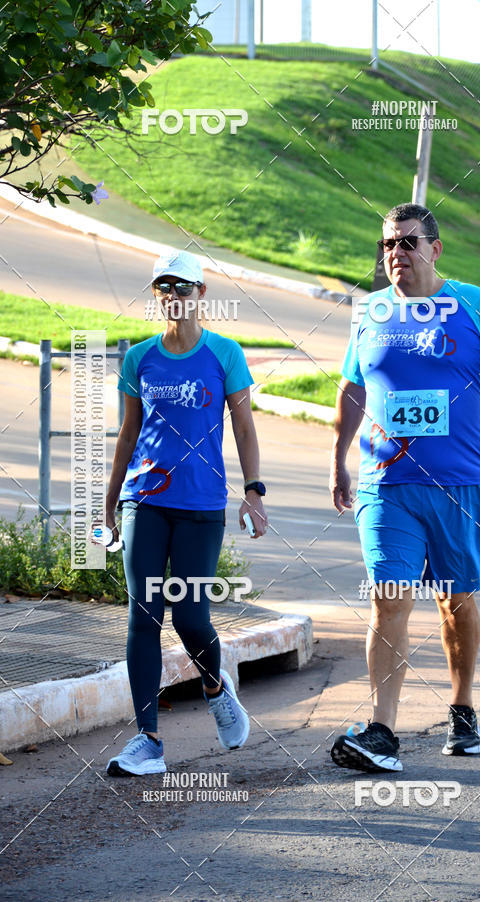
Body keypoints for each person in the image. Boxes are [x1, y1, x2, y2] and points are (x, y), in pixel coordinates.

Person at [329, 203, 480, 772]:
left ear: (435, 249)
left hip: (457, 484)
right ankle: (382, 732)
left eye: (408, 242)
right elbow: (352, 388)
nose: (396, 253)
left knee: (455, 600)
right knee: (388, 596)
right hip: (385, 482)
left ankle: (463, 707)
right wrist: (337, 458)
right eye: (388, 244)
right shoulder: (370, 311)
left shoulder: (472, 303)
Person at [103, 249, 268, 776]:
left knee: (191, 617)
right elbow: (130, 432)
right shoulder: (140, 358)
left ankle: (217, 690)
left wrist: (254, 490)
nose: (173, 296)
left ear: (201, 293)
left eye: (183, 287)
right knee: (143, 617)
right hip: (144, 500)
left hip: (200, 504)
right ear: (156, 297)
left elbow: (243, 426)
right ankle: (149, 742)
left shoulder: (224, 354)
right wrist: (110, 500)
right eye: (163, 288)